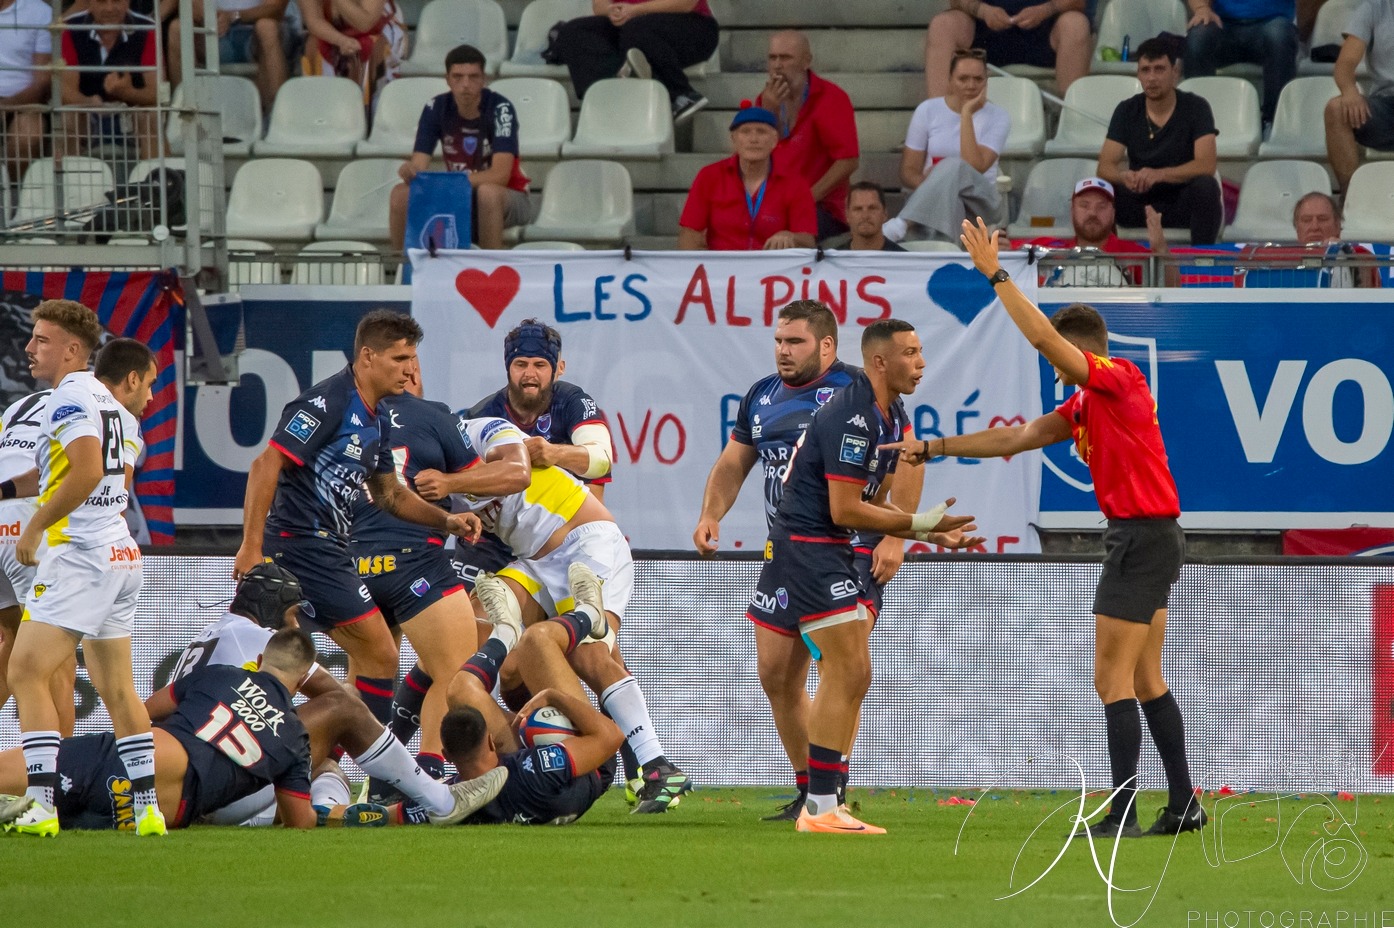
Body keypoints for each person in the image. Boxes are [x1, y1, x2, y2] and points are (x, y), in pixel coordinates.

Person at [888, 216, 1207, 839]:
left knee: (1110, 680)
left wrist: (996, 275)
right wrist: (934, 446)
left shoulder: (1118, 380)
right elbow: (1019, 436)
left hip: (1140, 538)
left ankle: (1122, 812)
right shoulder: (1087, 402)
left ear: (1080, 351)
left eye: (1064, 357)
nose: (1055, 367)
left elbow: (1042, 340)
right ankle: (1183, 803)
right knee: (1144, 678)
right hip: (1152, 536)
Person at [692, 300, 925, 820]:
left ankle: (829, 793)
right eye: (778, 341)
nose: (782, 351)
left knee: (843, 667)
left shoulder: (856, 392)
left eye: (793, 342)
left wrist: (897, 536)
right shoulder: (761, 396)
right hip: (788, 544)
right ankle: (809, 790)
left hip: (849, 544)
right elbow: (734, 462)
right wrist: (712, 514)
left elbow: (906, 458)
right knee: (776, 673)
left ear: (826, 346)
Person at [746, 319, 980, 834]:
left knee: (792, 676)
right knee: (849, 670)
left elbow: (874, 492)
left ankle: (821, 801)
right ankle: (823, 806)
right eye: (910, 354)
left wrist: (918, 531)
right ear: (879, 362)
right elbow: (846, 509)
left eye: (921, 352)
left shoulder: (886, 412)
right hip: (812, 550)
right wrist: (918, 525)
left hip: (793, 546)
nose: (920, 363)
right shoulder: (854, 415)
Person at [414, 416, 694, 814]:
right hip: (535, 561)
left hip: (587, 539)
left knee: (590, 654)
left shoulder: (480, 431)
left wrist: (449, 484)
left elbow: (518, 474)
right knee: (473, 639)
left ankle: (655, 764)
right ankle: (519, 750)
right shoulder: (423, 480)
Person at [232, 310, 483, 731]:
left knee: (291, 663)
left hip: (329, 550)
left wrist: (446, 522)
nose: (410, 370)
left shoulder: (377, 417)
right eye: (400, 359)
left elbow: (390, 494)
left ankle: (317, 756)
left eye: (412, 359)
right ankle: (375, 770)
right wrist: (250, 547)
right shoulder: (328, 401)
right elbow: (264, 465)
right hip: (302, 548)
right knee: (380, 656)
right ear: (367, 357)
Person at [159, 562, 509, 826]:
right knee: (343, 707)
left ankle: (330, 809)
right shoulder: (258, 637)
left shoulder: (211, 632)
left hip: (190, 781)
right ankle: (440, 800)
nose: (296, 626)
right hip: (225, 783)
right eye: (292, 615)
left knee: (325, 762)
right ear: (271, 607)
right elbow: (338, 698)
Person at [6, 308, 163, 837]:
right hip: (119, 555)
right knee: (120, 689)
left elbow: (87, 470)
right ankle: (148, 812)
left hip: (79, 556)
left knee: (25, 671)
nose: (31, 348)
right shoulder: (121, 412)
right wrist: (6, 492)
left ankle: (42, 804)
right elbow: (67, 473)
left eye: (42, 340)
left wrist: (35, 529)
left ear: (73, 351)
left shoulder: (70, 396)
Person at [0, 629, 322, 833]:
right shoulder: (295, 739)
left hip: (132, 762)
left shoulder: (222, 675)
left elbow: (145, 711)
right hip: (163, 810)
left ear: (261, 659)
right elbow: (299, 820)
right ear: (303, 680)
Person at [347, 366, 487, 779]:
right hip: (413, 560)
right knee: (455, 672)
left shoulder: (342, 418)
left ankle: (336, 779)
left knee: (363, 686)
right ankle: (427, 774)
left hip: (354, 565)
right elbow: (476, 483)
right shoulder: (434, 415)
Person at [415, 564, 620, 826]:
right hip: (586, 762)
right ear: (490, 741)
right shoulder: (539, 772)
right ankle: (590, 615)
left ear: (447, 756)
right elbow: (611, 736)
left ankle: (505, 632)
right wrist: (552, 696)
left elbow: (401, 812)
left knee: (460, 691)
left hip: (514, 769)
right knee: (536, 639)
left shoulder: (451, 798)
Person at [389, 44, 532, 251]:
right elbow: (419, 164)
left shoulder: (501, 108)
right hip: (459, 195)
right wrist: (410, 171)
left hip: (510, 196)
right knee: (400, 194)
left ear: (484, 79)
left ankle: (490, 274)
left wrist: (448, 183)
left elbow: (500, 175)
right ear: (447, 79)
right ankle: (403, 271)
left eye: (473, 77)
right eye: (457, 77)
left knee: (488, 193)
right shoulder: (435, 107)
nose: (465, 84)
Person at [1097, 38, 1222, 246]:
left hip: (1181, 202)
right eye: (1145, 70)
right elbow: (1104, 166)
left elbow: (1206, 165)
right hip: (1140, 202)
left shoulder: (1196, 107)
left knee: (1206, 186)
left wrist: (1159, 174)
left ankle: (1202, 264)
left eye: (1159, 69)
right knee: (1103, 188)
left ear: (1175, 71)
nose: (1152, 78)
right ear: (1138, 74)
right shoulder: (1126, 110)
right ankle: (1108, 263)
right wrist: (1124, 176)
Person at [882, 49, 1009, 245]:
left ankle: (902, 223)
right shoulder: (928, 110)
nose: (971, 85)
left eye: (978, 79)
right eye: (963, 79)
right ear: (950, 79)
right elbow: (908, 171)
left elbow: (975, 166)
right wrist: (936, 186)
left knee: (953, 165)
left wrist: (966, 113)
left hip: (981, 201)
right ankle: (946, 252)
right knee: (950, 199)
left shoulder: (999, 117)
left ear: (986, 80)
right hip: (940, 201)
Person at [754, 31, 860, 242]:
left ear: (806, 61)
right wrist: (769, 113)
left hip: (822, 206)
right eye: (772, 57)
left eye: (785, 57)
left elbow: (848, 161)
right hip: (775, 204)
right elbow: (753, 156)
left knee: (775, 234)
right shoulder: (765, 100)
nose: (777, 65)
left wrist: (804, 199)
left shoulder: (831, 98)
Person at [551, 0, 719, 124]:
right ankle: (608, 96)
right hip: (633, 26)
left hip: (693, 27)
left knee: (636, 29)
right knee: (573, 31)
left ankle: (682, 95)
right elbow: (599, 7)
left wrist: (637, 10)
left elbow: (686, 3)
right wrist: (614, 10)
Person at [679, 104, 817, 251]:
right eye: (745, 132)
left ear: (774, 140)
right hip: (723, 268)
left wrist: (791, 237)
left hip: (773, 269)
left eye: (761, 132)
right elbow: (690, 233)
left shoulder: (795, 183)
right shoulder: (709, 176)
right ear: (734, 139)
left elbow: (808, 241)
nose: (753, 139)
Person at [59, 0, 164, 162]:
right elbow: (64, 91)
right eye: (102, 1)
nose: (109, 8)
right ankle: (70, 184)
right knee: (69, 118)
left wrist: (128, 93)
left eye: (116, 1)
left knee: (149, 118)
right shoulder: (70, 28)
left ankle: (156, 183)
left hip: (131, 113)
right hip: (87, 114)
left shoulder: (147, 28)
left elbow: (159, 93)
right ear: (90, 3)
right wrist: (89, 103)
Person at [924, 0, 1093, 99]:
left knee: (1076, 24)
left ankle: (1071, 119)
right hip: (985, 32)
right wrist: (983, 10)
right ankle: (938, 121)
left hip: (1045, 33)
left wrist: (1044, 10)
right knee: (942, 25)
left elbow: (1079, 2)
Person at [1015, 177, 1165, 286]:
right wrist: (1000, 255)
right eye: (1084, 205)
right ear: (1072, 210)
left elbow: (1172, 293)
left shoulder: (1134, 254)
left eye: (1101, 206)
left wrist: (1161, 249)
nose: (1093, 213)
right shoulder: (1049, 248)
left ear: (1113, 214)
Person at [1183, 0, 1297, 131]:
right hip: (1222, 24)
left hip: (1273, 22)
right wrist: (1201, 8)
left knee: (1279, 36)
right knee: (1197, 38)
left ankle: (1274, 123)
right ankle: (1197, 123)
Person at [167, 0, 291, 111]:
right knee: (177, 29)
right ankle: (184, 112)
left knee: (267, 27)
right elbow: (191, 6)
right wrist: (212, 17)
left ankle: (279, 115)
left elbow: (275, 8)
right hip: (213, 31)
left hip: (253, 33)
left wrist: (234, 15)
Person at [1324, 0, 1394, 193]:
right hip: (1387, 106)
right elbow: (1344, 64)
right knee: (1336, 110)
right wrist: (1349, 91)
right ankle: (1351, 198)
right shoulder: (1374, 7)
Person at [298, 0, 406, 105]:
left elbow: (365, 23)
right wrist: (340, 40)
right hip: (333, 30)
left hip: (375, 28)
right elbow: (313, 21)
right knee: (313, 45)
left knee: (369, 48)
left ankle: (369, 113)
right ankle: (326, 114)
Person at [0, 0, 52, 177]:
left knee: (27, 137)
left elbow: (42, 81)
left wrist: (6, 105)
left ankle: (15, 197)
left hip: (26, 103)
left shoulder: (40, 13)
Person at [841, 182, 906, 252]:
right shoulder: (833, 259)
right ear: (847, 215)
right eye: (858, 209)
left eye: (872, 208)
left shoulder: (905, 260)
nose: (865, 216)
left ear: (885, 214)